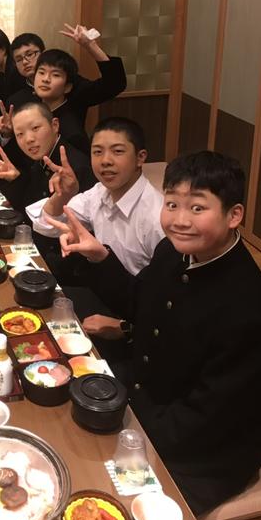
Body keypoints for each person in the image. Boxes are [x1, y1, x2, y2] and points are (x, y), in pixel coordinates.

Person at [47, 151, 261, 515]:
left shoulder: (249, 303)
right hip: (144, 396)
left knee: (106, 505)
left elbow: (210, 415)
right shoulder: (172, 252)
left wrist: (128, 430)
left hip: (202, 451)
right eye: (172, 204)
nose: (180, 220)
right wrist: (100, 257)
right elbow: (139, 303)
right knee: (58, 418)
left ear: (234, 215)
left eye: (197, 208)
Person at [27, 117, 164, 353]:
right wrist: (63, 195)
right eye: (97, 152)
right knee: (34, 306)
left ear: (140, 157)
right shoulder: (101, 192)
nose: (105, 161)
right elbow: (46, 224)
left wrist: (125, 328)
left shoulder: (156, 217)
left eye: (117, 151)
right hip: (105, 294)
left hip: (139, 322)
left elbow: (169, 301)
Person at [0, 102, 94, 265]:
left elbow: (73, 237)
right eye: (20, 134)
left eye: (35, 128)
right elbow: (29, 208)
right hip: (35, 245)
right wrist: (15, 179)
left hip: (63, 261)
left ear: (55, 125)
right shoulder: (42, 156)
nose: (29, 139)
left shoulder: (75, 167)